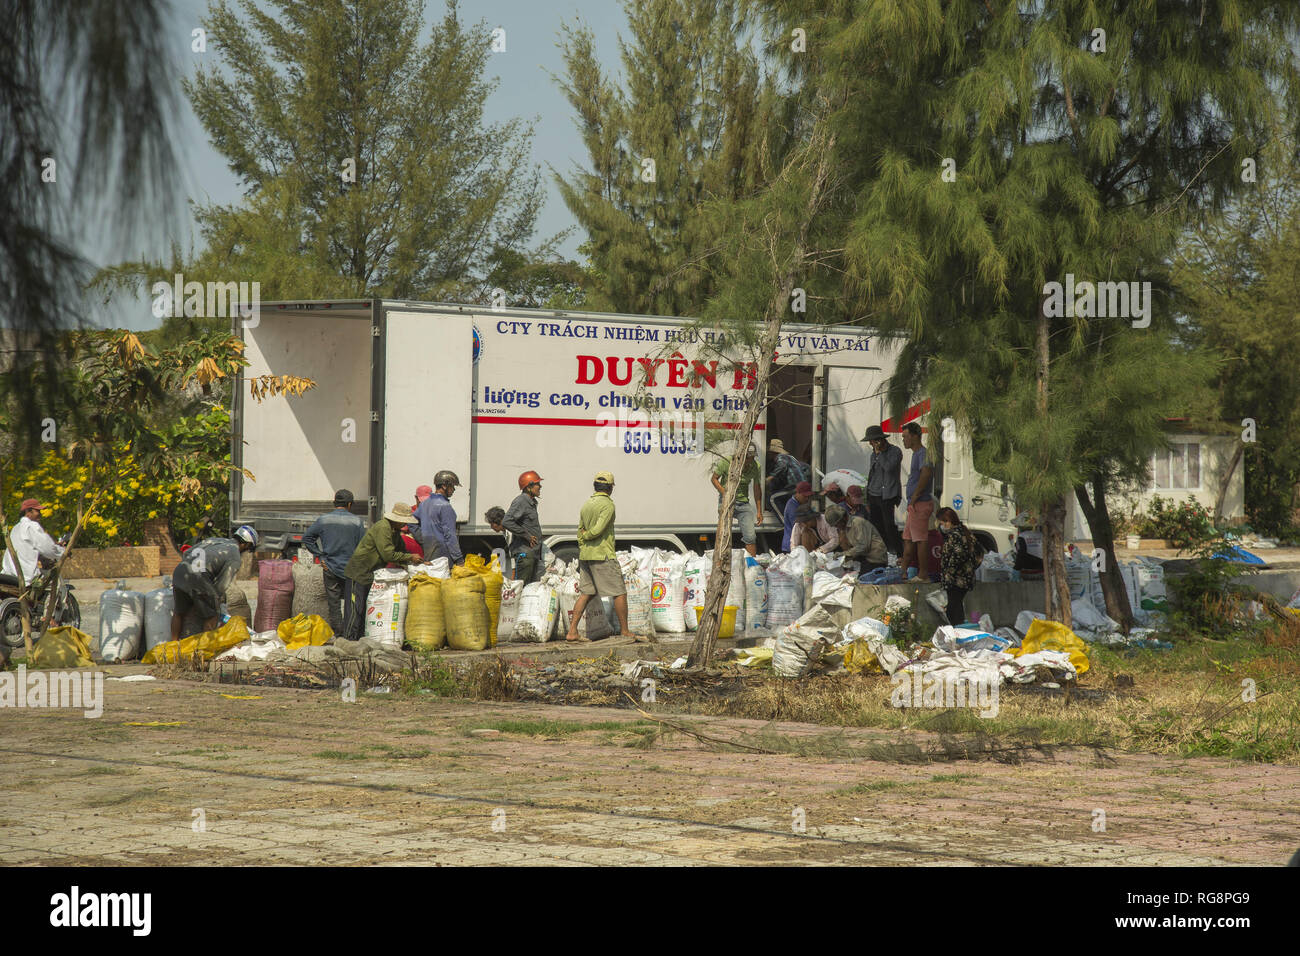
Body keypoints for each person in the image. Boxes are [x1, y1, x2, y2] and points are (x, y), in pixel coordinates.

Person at [564, 471, 648, 644]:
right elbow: (597, 529)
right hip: (603, 555)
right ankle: (625, 631)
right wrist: (588, 536)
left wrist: (584, 542)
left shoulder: (587, 504)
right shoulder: (608, 505)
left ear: (595, 486)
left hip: (586, 555)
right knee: (619, 592)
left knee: (586, 593)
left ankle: (572, 632)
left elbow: (580, 530)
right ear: (610, 488)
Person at [342, 502, 420, 641]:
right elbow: (388, 555)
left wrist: (415, 562)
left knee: (365, 610)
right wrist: (410, 557)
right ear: (397, 519)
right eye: (404, 521)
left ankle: (360, 640)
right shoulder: (383, 528)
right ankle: (349, 640)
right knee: (355, 611)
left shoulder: (395, 532)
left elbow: (402, 551)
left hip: (371, 574)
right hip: (359, 573)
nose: (404, 525)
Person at [170, 526, 257, 640]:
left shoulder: (214, 540)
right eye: (249, 548)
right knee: (212, 615)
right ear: (246, 544)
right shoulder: (235, 556)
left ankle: (173, 646)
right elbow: (222, 584)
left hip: (179, 572)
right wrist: (215, 600)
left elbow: (187, 552)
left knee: (179, 612)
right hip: (198, 577)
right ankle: (204, 650)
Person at [300, 489, 367, 636]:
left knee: (334, 604)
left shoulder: (323, 520)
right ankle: (350, 636)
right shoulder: (356, 521)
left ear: (334, 503)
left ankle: (338, 634)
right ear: (349, 504)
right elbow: (363, 546)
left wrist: (320, 556)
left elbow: (307, 539)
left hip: (329, 567)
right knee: (351, 604)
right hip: (351, 569)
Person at [711, 443, 763, 556]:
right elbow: (714, 479)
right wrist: (725, 493)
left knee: (750, 536)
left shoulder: (756, 466)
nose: (750, 460)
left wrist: (759, 510)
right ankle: (720, 563)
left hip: (744, 503)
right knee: (723, 535)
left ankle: (751, 566)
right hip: (727, 502)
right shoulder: (727, 462)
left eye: (753, 457)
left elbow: (757, 488)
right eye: (748, 457)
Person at [861, 424, 905, 557]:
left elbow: (889, 468)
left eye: (872, 441)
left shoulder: (895, 452)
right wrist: (867, 496)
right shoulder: (873, 454)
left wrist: (880, 453)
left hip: (887, 495)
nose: (870, 444)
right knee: (876, 526)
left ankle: (899, 553)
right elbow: (872, 474)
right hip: (873, 494)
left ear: (879, 440)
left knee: (889, 526)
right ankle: (881, 553)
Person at [901, 421, 935, 582]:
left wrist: (915, 496)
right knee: (908, 538)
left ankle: (923, 575)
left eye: (906, 436)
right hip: (914, 504)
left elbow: (926, 474)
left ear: (915, 436)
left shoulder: (922, 453)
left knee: (920, 540)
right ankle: (902, 572)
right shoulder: (916, 454)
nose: (904, 440)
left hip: (920, 503)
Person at [2, 498, 64, 585]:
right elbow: (48, 549)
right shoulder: (31, 526)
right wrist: (63, 552)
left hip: (9, 573)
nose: (40, 514)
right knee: (47, 579)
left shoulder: (16, 528)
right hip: (25, 576)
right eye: (37, 511)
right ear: (28, 511)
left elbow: (26, 549)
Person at [937, 506, 982, 627]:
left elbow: (957, 556)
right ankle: (959, 631)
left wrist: (949, 574)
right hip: (964, 578)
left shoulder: (955, 535)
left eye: (942, 523)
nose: (941, 526)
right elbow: (979, 552)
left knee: (953, 609)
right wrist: (971, 568)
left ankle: (959, 633)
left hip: (957, 580)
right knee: (955, 607)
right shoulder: (964, 532)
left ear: (948, 521)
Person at [415, 469, 463, 566]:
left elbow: (411, 522)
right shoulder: (445, 506)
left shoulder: (424, 504)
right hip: (443, 554)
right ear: (444, 486)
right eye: (452, 486)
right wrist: (458, 558)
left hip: (429, 552)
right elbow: (450, 535)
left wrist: (423, 538)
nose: (453, 489)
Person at [504, 470, 544, 584]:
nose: (540, 487)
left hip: (532, 554)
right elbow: (507, 521)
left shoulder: (531, 502)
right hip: (524, 554)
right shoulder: (521, 501)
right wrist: (527, 536)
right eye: (537, 484)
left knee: (529, 589)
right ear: (529, 487)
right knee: (521, 587)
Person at [824, 503, 888, 570]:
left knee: (861, 578)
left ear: (843, 518)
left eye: (837, 524)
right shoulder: (846, 528)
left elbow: (863, 547)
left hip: (875, 559)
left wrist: (844, 554)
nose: (837, 527)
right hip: (865, 558)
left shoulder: (857, 523)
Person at [765, 438, 809, 521]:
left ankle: (785, 522)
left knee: (772, 498)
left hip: (795, 487)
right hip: (802, 487)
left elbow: (782, 466)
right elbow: (805, 467)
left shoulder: (780, 457)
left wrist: (770, 478)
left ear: (772, 452)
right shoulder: (791, 457)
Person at [781, 481, 815, 552]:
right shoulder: (792, 507)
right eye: (805, 496)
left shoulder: (801, 504)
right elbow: (800, 527)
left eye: (809, 497)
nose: (807, 499)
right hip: (791, 546)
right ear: (798, 493)